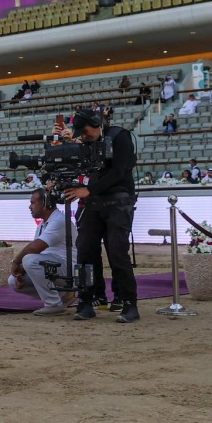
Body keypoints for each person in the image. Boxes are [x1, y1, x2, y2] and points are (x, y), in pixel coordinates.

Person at [63, 109, 140, 323]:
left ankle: (129, 303)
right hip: (93, 204)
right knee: (85, 252)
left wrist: (89, 190)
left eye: (85, 131)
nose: (83, 135)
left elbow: (118, 171)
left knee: (117, 253)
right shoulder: (87, 143)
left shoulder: (120, 136)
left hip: (118, 202)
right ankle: (87, 301)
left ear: (97, 124)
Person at [9, 189, 77, 315]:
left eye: (33, 203)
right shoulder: (43, 224)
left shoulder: (58, 221)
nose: (30, 207)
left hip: (67, 269)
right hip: (52, 266)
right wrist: (22, 270)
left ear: (46, 204)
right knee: (13, 281)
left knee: (29, 260)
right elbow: (37, 253)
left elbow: (35, 248)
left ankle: (54, 305)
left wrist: (16, 262)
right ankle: (63, 296)